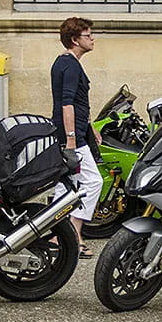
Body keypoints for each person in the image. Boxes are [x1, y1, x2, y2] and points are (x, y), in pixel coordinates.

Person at [50, 17, 104, 259]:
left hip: (75, 132)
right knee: (93, 182)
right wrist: (72, 140)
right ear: (74, 40)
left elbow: (79, 104)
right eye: (88, 35)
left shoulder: (65, 63)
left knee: (65, 187)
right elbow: (67, 103)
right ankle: (72, 233)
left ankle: (57, 236)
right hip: (71, 136)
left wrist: (90, 129)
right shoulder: (70, 65)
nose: (92, 39)